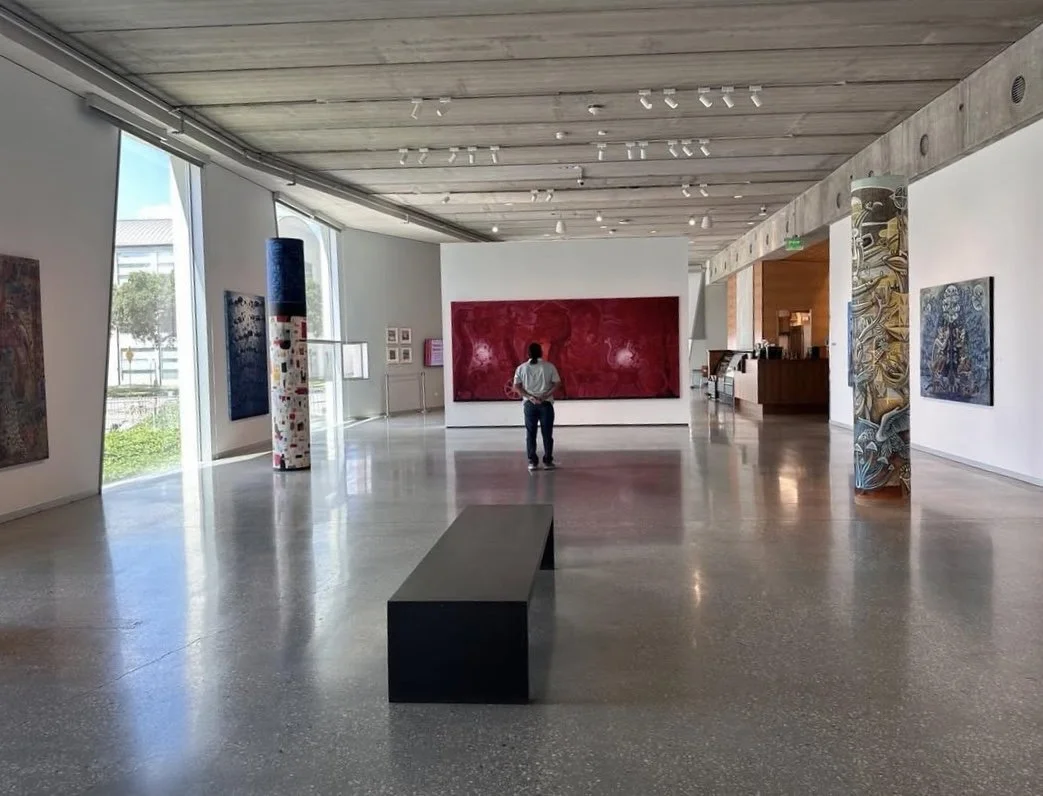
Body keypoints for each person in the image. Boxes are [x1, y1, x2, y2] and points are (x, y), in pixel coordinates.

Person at [513, 342, 561, 472]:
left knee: (530, 433)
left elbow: (517, 387)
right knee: (547, 434)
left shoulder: (521, 368)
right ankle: (547, 461)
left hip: (529, 405)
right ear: (541, 352)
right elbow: (557, 384)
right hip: (546, 404)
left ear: (528, 353)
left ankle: (532, 462)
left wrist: (530, 397)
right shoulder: (549, 367)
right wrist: (545, 395)